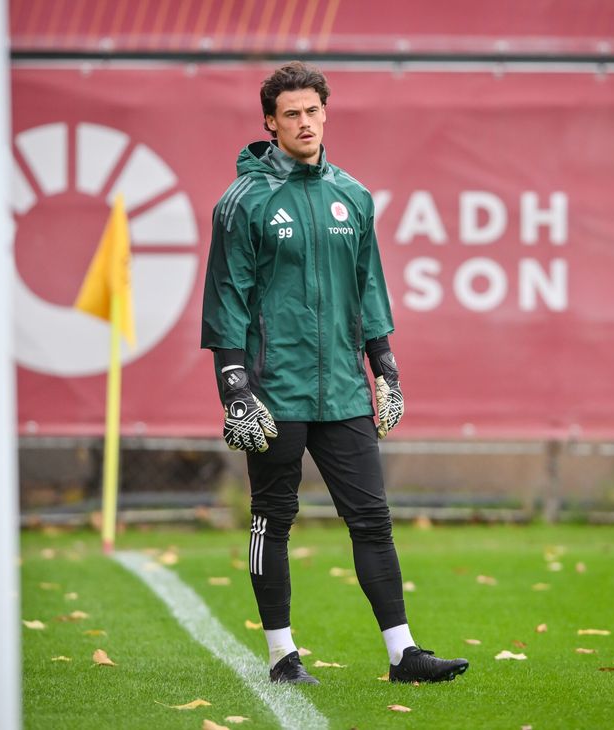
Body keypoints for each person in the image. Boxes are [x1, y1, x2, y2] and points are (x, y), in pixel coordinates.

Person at [201, 61, 469, 686]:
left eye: (312, 111)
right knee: (273, 518)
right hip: (276, 388)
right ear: (269, 122)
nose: (304, 123)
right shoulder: (242, 202)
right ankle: (280, 654)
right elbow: (227, 299)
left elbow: (367, 287)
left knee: (372, 519)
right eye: (290, 114)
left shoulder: (353, 195)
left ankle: (405, 654)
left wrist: (386, 370)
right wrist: (235, 386)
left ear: (326, 114)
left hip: (343, 389)